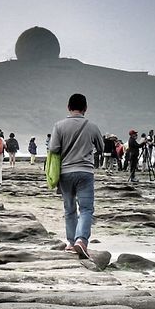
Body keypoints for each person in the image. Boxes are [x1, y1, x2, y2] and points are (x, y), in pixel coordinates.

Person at [48, 92, 105, 259]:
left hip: (65, 172)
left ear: (68, 107)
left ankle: (72, 243)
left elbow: (53, 149)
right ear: (85, 108)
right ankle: (82, 240)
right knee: (86, 208)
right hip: (85, 172)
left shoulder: (59, 126)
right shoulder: (92, 126)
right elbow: (101, 148)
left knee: (69, 209)